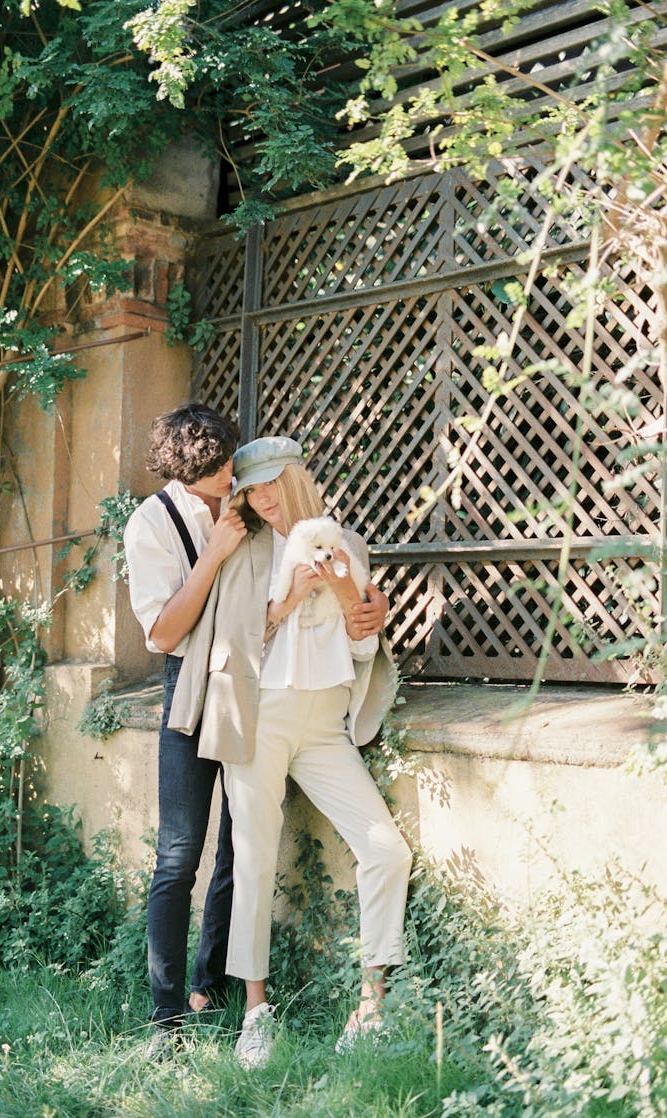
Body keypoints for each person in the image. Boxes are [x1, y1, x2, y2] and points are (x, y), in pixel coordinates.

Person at [168, 436, 412, 1069]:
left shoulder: (346, 546)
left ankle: (371, 1006)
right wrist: (288, 601)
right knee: (251, 857)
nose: (263, 497)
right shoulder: (244, 550)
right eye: (250, 489)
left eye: (272, 482)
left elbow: (361, 648)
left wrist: (356, 611)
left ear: (298, 476)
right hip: (261, 716)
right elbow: (226, 636)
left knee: (386, 849)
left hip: (325, 720)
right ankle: (255, 1013)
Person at [122, 403, 248, 1054]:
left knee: (238, 845)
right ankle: (165, 1017)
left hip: (249, 682)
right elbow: (164, 632)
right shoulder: (152, 524)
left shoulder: (243, 497)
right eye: (223, 464)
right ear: (192, 469)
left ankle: (209, 990)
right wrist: (218, 550)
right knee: (178, 856)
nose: (234, 470)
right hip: (189, 687)